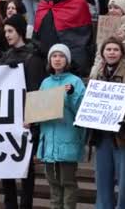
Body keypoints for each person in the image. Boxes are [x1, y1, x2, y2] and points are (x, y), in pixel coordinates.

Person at [0, 14, 46, 209]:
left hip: (25, 121)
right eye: (5, 31)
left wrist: (31, 118)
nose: (7, 35)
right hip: (5, 119)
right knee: (5, 166)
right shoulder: (5, 56)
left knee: (26, 169)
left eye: (10, 31)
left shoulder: (32, 58)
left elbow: (35, 90)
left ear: (20, 32)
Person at [90, 37, 125, 209]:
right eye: (108, 49)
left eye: (115, 49)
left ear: (122, 53)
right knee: (102, 180)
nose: (111, 53)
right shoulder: (96, 73)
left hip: (123, 136)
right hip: (102, 135)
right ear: (102, 53)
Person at [36, 44, 86, 209]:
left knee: (68, 183)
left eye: (61, 56)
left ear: (67, 60)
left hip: (68, 140)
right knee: (53, 186)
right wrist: (30, 118)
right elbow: (39, 110)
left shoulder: (75, 81)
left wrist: (71, 94)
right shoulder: (45, 82)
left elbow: (82, 111)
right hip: (49, 142)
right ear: (50, 60)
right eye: (54, 56)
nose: (57, 59)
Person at [33, 0, 93, 77]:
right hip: (46, 58)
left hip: (69, 59)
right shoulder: (45, 2)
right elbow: (38, 30)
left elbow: (82, 37)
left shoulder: (78, 2)